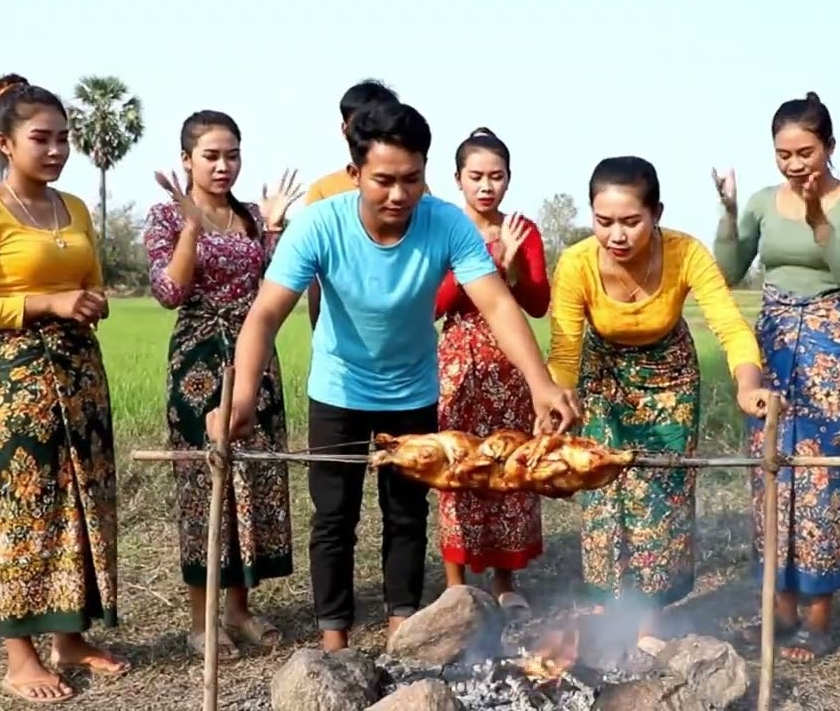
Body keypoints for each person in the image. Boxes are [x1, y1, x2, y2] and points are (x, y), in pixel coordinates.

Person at [209, 101, 580, 653]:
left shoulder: (446, 223)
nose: (399, 195)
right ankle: (334, 640)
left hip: (412, 390)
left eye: (412, 179)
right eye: (383, 180)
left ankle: (401, 630)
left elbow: (499, 305)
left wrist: (541, 384)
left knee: (405, 516)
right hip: (338, 389)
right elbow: (265, 314)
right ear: (355, 172)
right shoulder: (319, 225)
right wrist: (241, 398)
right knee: (334, 519)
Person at [0, 74, 128, 704]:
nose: (56, 150)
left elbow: (91, 281)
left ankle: (70, 638)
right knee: (24, 511)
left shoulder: (74, 207)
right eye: (41, 138)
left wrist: (91, 300)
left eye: (63, 138)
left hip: (81, 372)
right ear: (5, 143)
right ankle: (20, 656)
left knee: (84, 504)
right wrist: (47, 301)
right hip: (20, 380)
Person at [547, 155, 768, 641]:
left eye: (631, 221)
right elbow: (564, 349)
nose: (616, 236)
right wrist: (556, 397)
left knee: (660, 500)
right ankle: (610, 616)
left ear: (657, 213)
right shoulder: (577, 263)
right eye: (604, 222)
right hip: (602, 378)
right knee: (604, 493)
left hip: (670, 380)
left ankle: (648, 623)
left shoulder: (685, 253)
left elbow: (730, 325)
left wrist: (748, 383)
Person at [712, 92, 840, 662]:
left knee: (823, 472)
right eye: (783, 154)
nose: (794, 164)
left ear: (829, 147)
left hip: (829, 340)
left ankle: (819, 616)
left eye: (805, 152)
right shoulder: (762, 202)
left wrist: (818, 222)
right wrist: (729, 213)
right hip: (774, 339)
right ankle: (780, 610)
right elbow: (728, 270)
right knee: (772, 469)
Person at [143, 110, 304, 660]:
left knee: (252, 482)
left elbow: (274, 288)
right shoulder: (165, 217)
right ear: (186, 160)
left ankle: (240, 609)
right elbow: (169, 291)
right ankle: (201, 620)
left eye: (231, 155)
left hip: (256, 359)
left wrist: (274, 229)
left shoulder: (252, 216)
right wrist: (191, 228)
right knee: (203, 484)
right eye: (210, 156)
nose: (222, 166)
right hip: (198, 362)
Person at [435, 128, 550, 619]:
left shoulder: (523, 230)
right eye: (476, 176)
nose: (486, 186)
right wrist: (484, 263)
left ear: (509, 178)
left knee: (508, 465)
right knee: (457, 465)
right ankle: (455, 585)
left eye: (496, 176)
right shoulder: (442, 228)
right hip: (459, 363)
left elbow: (538, 304)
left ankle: (506, 579)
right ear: (457, 179)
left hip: (510, 365)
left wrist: (513, 267)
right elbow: (435, 304)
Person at [301, 79, 431, 328]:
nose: (397, 196)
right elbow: (313, 274)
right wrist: (316, 327)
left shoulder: (420, 196)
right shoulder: (323, 195)